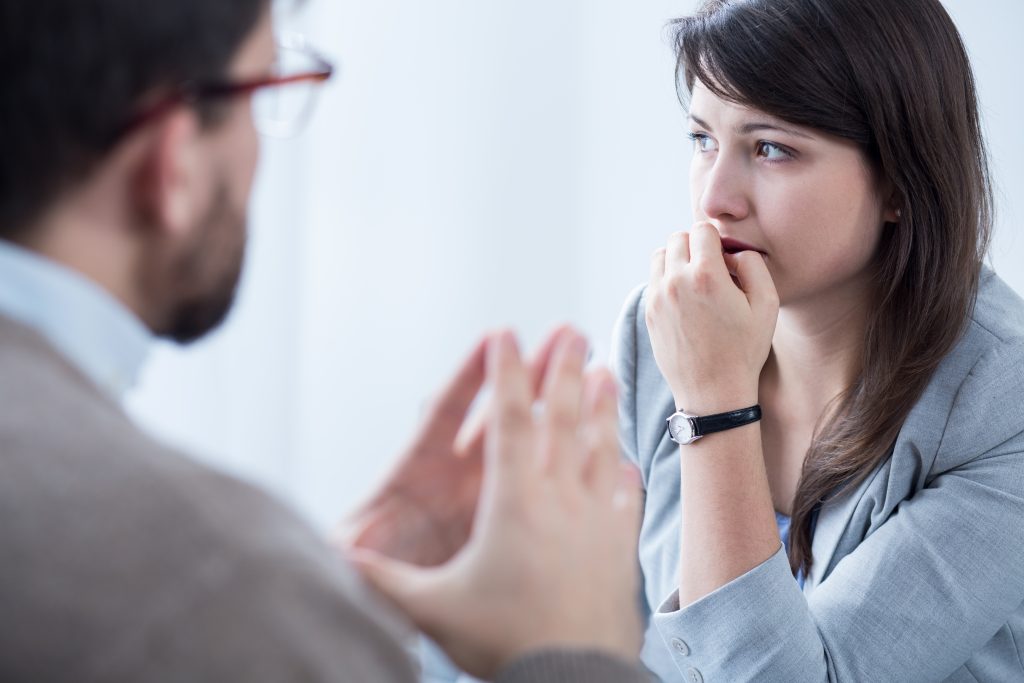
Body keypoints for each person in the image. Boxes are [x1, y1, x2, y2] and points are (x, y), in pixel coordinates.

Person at [0, 2, 652, 681]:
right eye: (264, 92)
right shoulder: (210, 578)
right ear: (173, 163)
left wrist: (325, 596)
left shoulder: (216, 582)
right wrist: (574, 649)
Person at [611, 0, 1024, 680]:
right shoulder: (656, 329)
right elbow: (592, 635)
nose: (716, 198)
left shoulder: (1002, 404)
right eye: (702, 139)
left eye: (772, 148)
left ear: (900, 182)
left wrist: (716, 405)